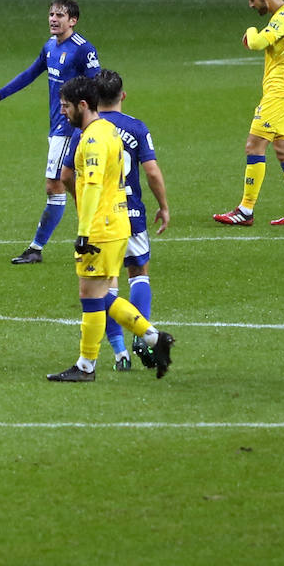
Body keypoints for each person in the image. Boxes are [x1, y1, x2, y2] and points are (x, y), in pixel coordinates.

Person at [46, 76, 175, 382]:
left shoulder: (91, 139)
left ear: (82, 105)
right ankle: (155, 338)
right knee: (99, 294)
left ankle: (86, 366)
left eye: (65, 106)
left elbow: (89, 184)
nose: (62, 112)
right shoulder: (107, 129)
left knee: (91, 296)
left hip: (100, 228)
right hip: (119, 223)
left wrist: (84, 230)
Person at [0, 0, 101, 264]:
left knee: (54, 185)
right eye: (51, 14)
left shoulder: (83, 50)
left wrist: (83, 128)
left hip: (69, 129)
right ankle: (95, 229)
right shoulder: (50, 47)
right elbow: (29, 74)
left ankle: (38, 248)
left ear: (73, 20)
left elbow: (97, 89)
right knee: (67, 183)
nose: (54, 19)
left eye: (60, 15)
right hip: (56, 127)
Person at [213, 0, 284, 226]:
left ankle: (245, 210)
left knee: (254, 146)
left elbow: (256, 42)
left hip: (281, 91)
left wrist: (249, 32)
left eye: (252, 0)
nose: (251, 5)